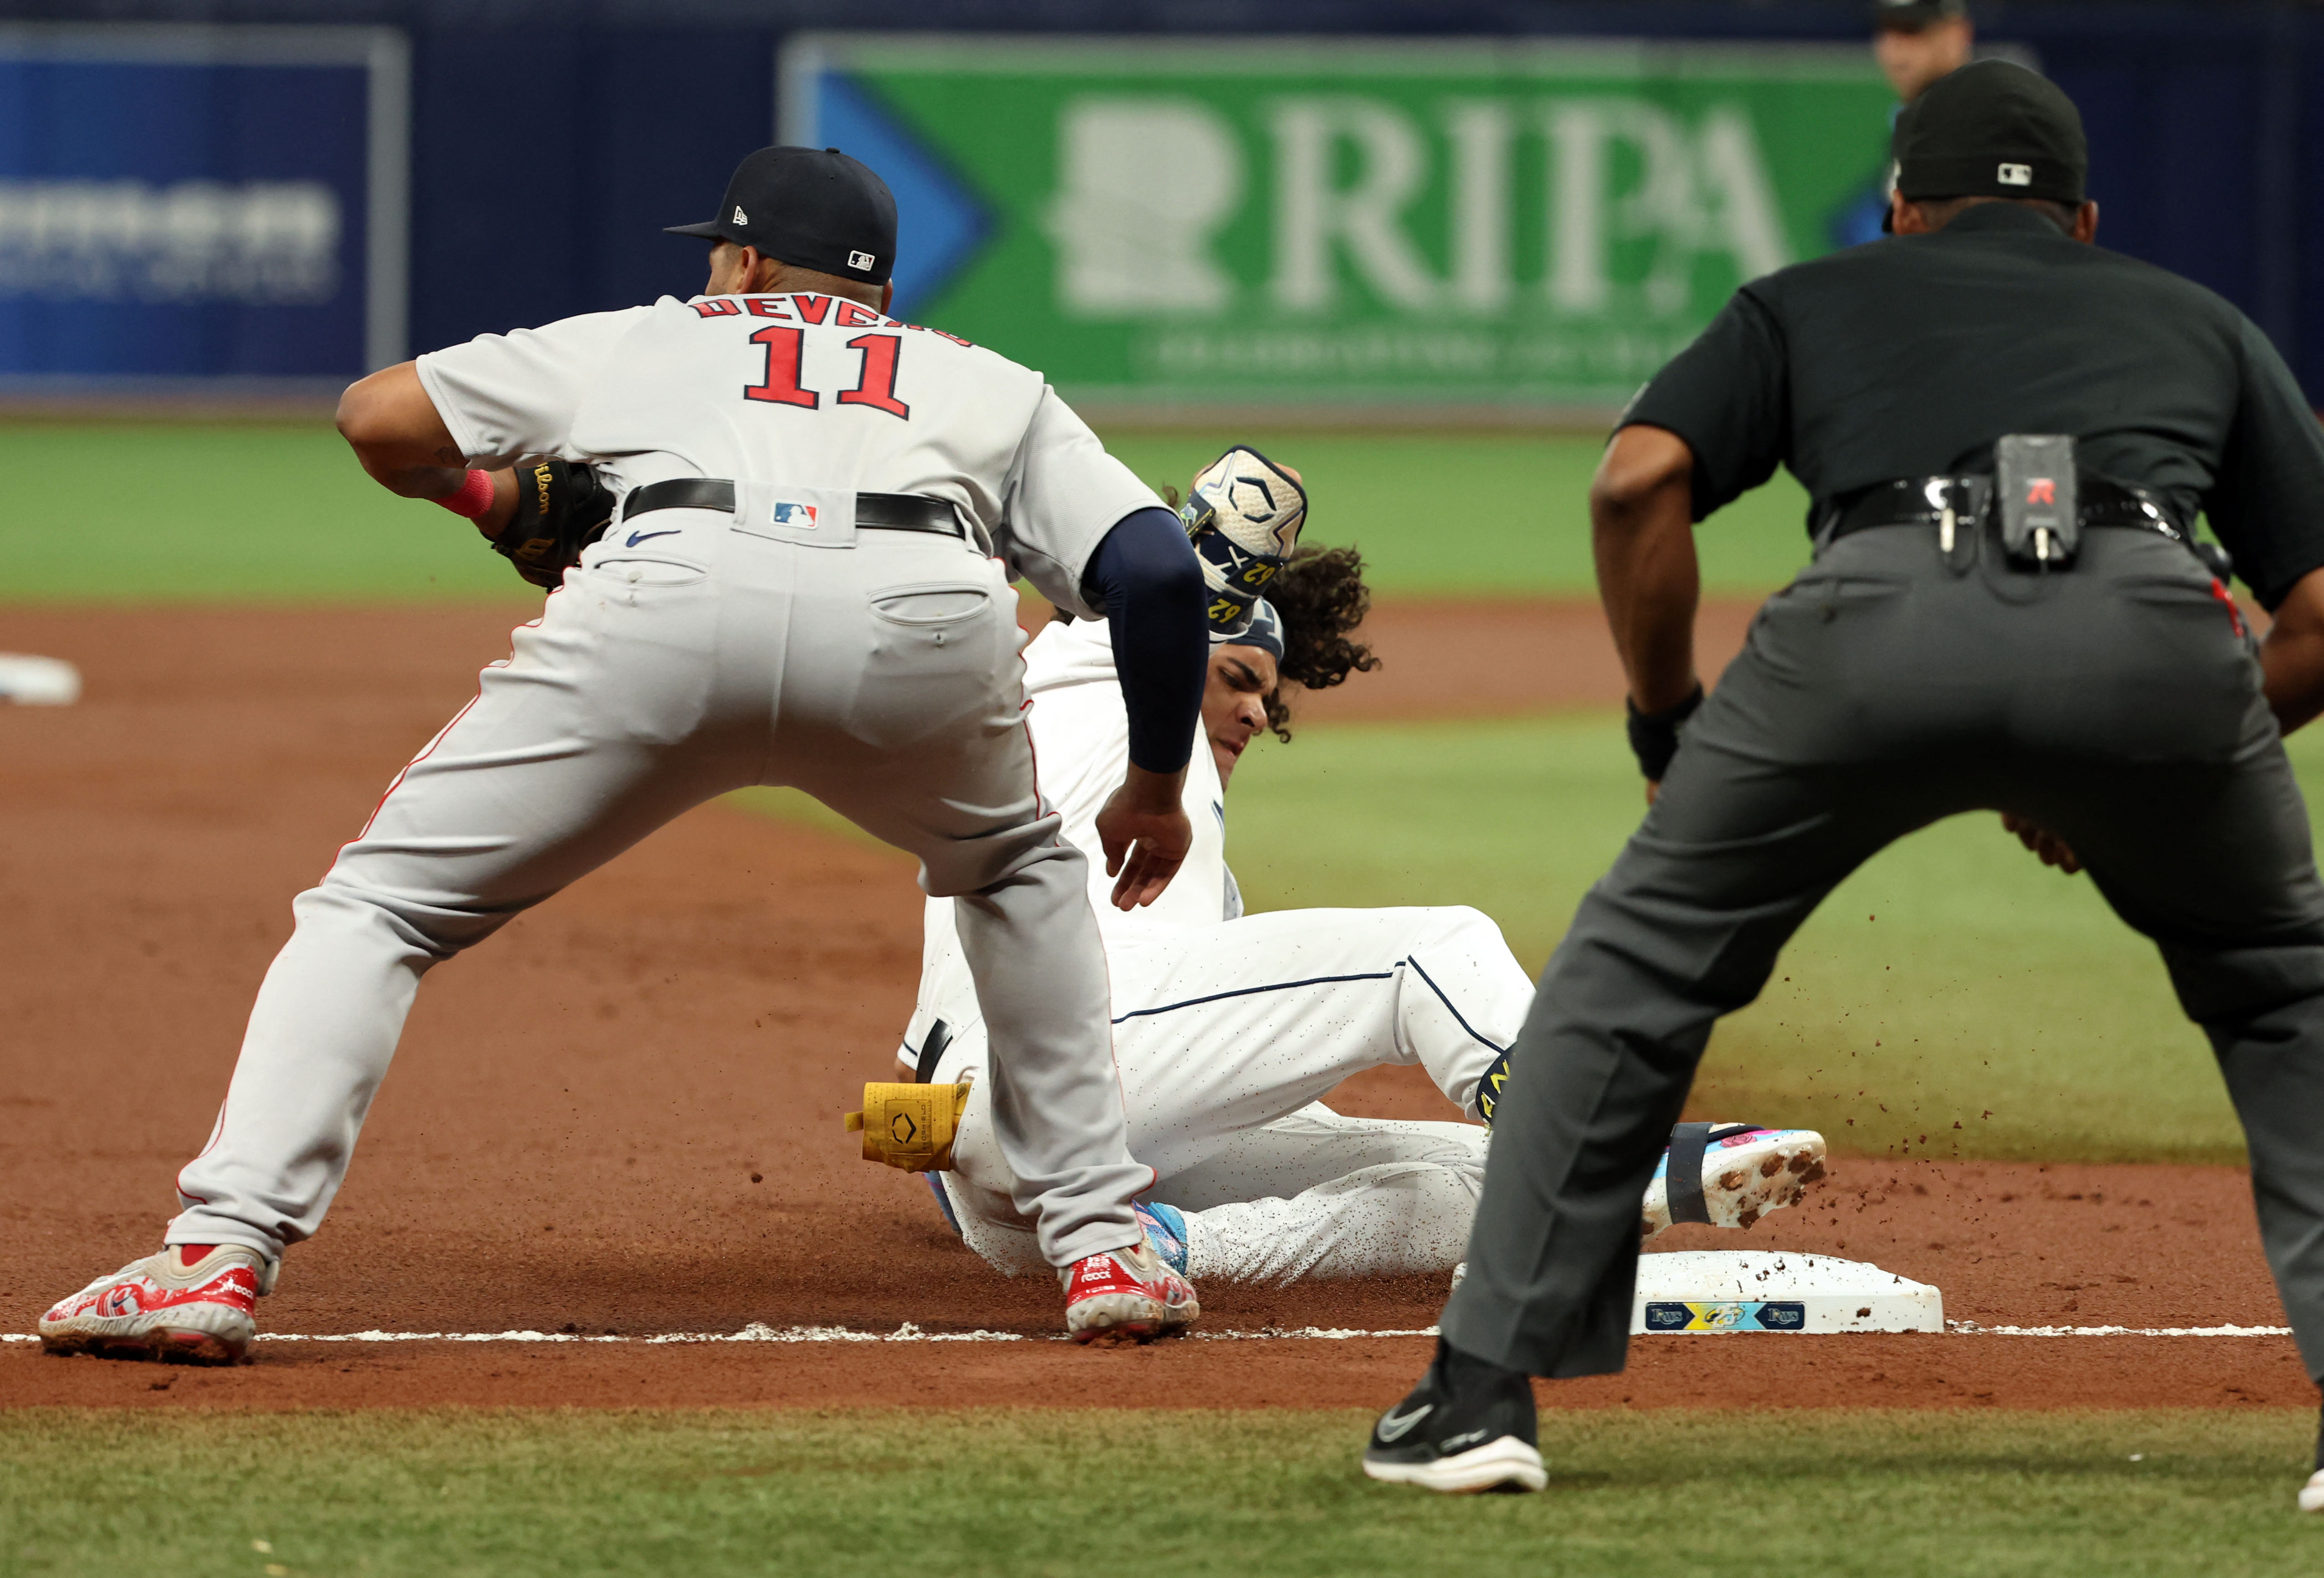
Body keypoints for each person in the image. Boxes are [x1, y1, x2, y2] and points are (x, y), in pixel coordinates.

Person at [37, 145, 1208, 1362]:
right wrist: (1156, 787)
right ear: (879, 291)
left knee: (378, 907)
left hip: (666, 605)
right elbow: (1157, 571)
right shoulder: (990, 385)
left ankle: (217, 1255)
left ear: (745, 261)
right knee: (1015, 875)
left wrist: (488, 504)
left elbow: (373, 417)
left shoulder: (661, 336)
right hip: (918, 623)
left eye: (718, 250)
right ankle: (1102, 1243)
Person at [1362, 61, 2324, 1508]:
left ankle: (1478, 1397)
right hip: (2145, 622)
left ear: (1896, 212)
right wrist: (2150, 756)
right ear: (2082, 222)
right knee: (2280, 996)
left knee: (1623, 984)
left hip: (1869, 622)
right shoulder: (2195, 318)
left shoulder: (1811, 298)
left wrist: (1662, 717)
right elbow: (2314, 611)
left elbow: (1632, 483)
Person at [897, 449, 1826, 1287]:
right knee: (1429, 951)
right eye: (1237, 678)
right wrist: (1202, 555)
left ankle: (1173, 1247)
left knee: (1485, 1182)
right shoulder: (1094, 679)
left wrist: (978, 1170)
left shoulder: (1146, 837)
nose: (1259, 712)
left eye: (1270, 693)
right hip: (1050, 1079)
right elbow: (1150, 608)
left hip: (1038, 1187)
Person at [1833, 0, 1978, 248]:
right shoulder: (1911, 127)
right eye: (1885, 31)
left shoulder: (1987, 129)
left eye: (1911, 30)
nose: (1892, 50)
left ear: (1956, 35)